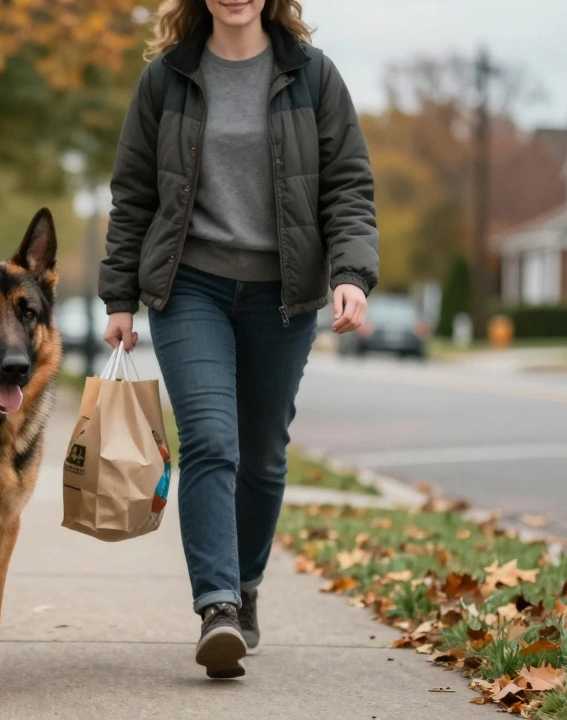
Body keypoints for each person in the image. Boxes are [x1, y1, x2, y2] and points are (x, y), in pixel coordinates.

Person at [98, 0, 379, 680]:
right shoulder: (168, 78)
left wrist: (351, 273)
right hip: (188, 286)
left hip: (281, 296)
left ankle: (245, 584)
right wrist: (120, 297)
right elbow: (134, 192)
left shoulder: (312, 76)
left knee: (262, 458)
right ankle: (218, 606)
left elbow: (348, 186)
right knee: (210, 441)